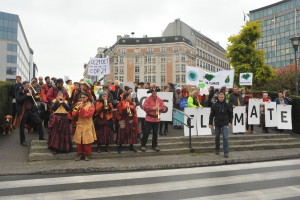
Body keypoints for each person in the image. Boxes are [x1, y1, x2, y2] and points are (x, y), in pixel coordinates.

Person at [13, 81, 45, 146]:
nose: (29, 86)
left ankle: (41, 137)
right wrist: (26, 95)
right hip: (23, 111)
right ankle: (22, 141)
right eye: (27, 85)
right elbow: (19, 100)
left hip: (31, 110)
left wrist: (36, 96)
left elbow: (35, 100)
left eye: (29, 85)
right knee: (22, 126)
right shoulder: (19, 91)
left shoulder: (31, 91)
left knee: (39, 121)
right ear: (23, 86)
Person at [72, 92, 97, 161]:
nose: (82, 99)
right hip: (80, 124)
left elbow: (89, 114)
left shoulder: (91, 105)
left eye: (84, 97)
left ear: (87, 98)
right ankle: (80, 154)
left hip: (87, 124)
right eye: (81, 97)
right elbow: (74, 114)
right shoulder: (78, 104)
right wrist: (76, 110)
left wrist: (82, 108)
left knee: (87, 141)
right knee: (79, 141)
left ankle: (87, 155)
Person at [141, 87, 166, 152]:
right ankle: (143, 145)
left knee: (155, 133)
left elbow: (164, 107)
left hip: (156, 119)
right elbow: (144, 107)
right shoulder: (147, 99)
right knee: (146, 132)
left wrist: (159, 108)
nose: (154, 92)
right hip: (149, 118)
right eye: (153, 91)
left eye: (155, 91)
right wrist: (153, 108)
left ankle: (154, 145)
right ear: (151, 92)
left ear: (156, 92)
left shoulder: (160, 100)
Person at [209, 92, 233, 158]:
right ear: (218, 97)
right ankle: (217, 149)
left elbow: (231, 113)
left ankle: (226, 152)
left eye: (222, 97)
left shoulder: (227, 104)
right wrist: (210, 123)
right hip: (217, 122)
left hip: (225, 122)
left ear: (224, 97)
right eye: (220, 97)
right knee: (217, 137)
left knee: (225, 137)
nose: (221, 98)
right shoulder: (214, 105)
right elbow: (212, 114)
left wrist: (230, 121)